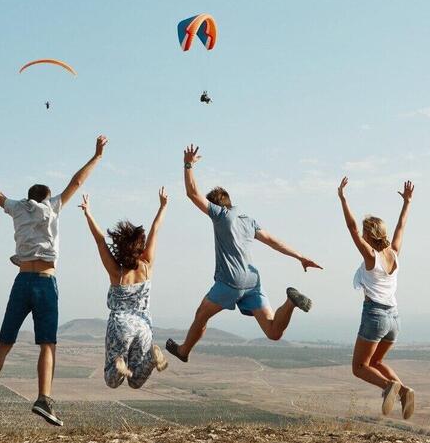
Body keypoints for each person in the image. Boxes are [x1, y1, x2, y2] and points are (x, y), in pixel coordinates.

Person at [0, 136, 107, 427]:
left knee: (4, 343)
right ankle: (44, 399)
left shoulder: (17, 209)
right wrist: (96, 156)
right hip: (45, 282)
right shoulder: (52, 206)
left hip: (21, 282)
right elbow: (76, 182)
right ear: (45, 197)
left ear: (28, 197)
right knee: (47, 344)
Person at [166, 144, 322, 362]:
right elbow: (273, 241)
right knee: (273, 332)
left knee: (201, 314)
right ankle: (290, 303)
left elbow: (192, 193)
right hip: (252, 279)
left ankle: (183, 351)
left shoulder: (220, 215)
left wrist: (188, 164)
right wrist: (300, 257)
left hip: (231, 280)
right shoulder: (248, 221)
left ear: (216, 206)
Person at [338, 176, 416, 419]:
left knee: (360, 367)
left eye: (364, 234)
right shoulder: (394, 253)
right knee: (377, 363)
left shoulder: (370, 256)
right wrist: (407, 203)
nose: (360, 236)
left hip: (375, 316)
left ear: (370, 237)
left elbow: (351, 228)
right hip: (394, 318)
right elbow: (401, 226)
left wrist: (343, 199)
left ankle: (389, 387)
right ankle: (404, 391)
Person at [79, 189, 169, 389]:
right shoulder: (146, 265)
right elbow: (155, 229)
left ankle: (118, 365)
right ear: (140, 246)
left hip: (120, 325)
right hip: (143, 326)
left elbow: (100, 240)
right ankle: (152, 358)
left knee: (112, 381)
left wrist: (88, 213)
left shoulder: (116, 273)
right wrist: (162, 206)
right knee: (136, 380)